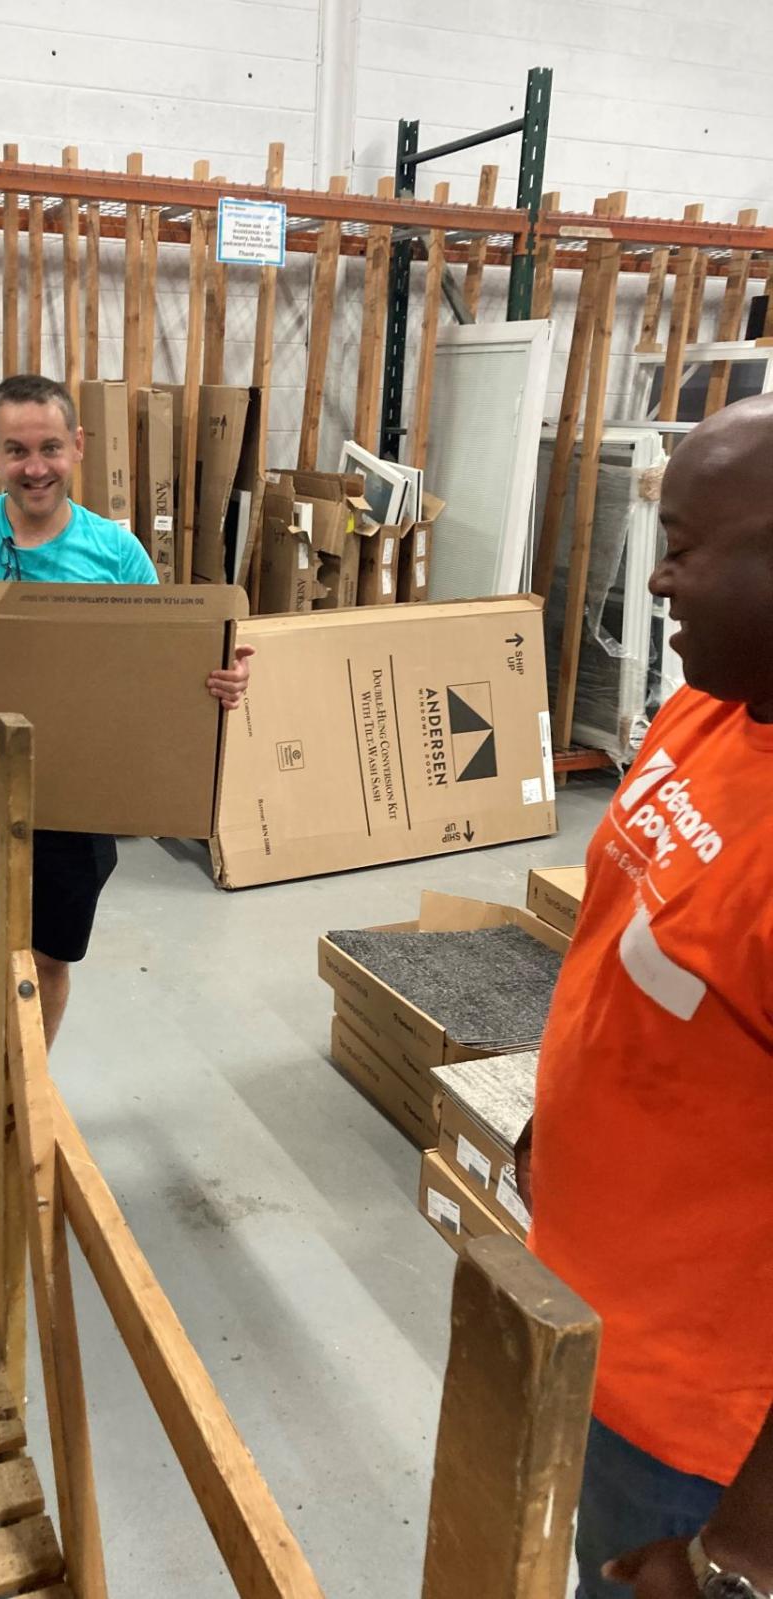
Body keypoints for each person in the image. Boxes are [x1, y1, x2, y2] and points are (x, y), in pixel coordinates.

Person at [0, 373, 254, 1251]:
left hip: (78, 792)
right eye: (15, 448)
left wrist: (219, 681)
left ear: (78, 448)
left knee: (51, 962)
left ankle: (21, 1099)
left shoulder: (117, 557)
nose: (34, 465)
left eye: (50, 446)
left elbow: (159, 680)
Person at [516, 393, 773, 1599]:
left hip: (695, 1436)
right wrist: (554, 1124)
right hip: (586, 1310)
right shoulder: (712, 705)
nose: (656, 582)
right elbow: (630, 937)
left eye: (682, 545)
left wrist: (741, 1551)